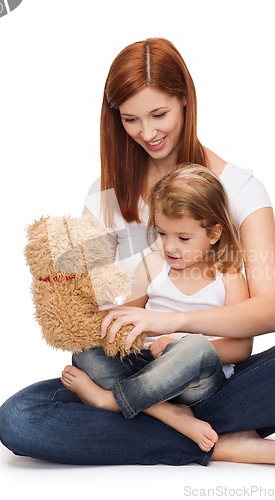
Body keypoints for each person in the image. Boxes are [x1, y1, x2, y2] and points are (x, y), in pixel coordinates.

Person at [0, 37, 275, 468]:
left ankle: (149, 423)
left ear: (185, 100)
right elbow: (87, 308)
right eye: (130, 119)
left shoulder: (241, 190)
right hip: (130, 369)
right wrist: (58, 277)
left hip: (209, 371)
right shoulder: (104, 196)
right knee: (19, 419)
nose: (147, 133)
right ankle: (215, 440)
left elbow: (272, 312)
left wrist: (173, 323)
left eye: (159, 114)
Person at [61, 164, 254, 453]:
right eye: (162, 234)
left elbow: (241, 349)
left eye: (183, 238)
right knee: (85, 350)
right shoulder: (152, 265)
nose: (170, 247)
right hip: (147, 367)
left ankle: (110, 401)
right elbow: (125, 319)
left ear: (214, 233)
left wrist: (178, 345)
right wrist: (95, 317)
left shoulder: (228, 277)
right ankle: (166, 413)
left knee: (196, 348)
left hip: (195, 380)